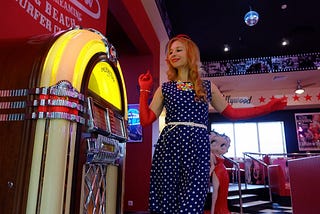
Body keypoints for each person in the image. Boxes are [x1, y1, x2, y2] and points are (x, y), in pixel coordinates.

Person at [138, 34, 287, 213]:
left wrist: (267, 108)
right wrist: (144, 90)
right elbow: (146, 120)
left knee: (193, 197)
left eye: (178, 50)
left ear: (191, 55)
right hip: (170, 146)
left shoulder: (207, 86)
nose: (173, 54)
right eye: (170, 52)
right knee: (165, 196)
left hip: (197, 147)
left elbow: (232, 113)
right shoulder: (165, 88)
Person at [209, 130, 231, 214]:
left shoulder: (220, 154)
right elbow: (212, 165)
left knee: (223, 191)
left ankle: (221, 208)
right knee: (215, 192)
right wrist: (209, 173)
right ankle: (213, 211)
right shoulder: (211, 154)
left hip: (224, 172)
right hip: (217, 172)